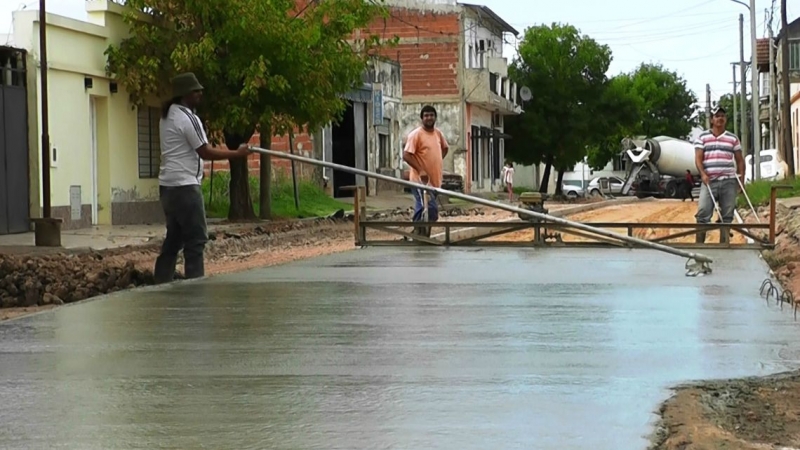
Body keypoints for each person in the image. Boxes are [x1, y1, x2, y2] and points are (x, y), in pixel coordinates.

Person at [154, 72, 251, 284]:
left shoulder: (167, 115)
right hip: (185, 187)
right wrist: (237, 154)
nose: (200, 94)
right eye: (195, 91)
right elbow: (205, 152)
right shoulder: (188, 118)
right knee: (196, 240)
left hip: (168, 187)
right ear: (184, 94)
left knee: (174, 238)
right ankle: (194, 287)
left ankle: (160, 282)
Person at [693, 105, 745, 244]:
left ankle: (724, 245)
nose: (720, 118)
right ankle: (700, 246)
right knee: (703, 214)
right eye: (717, 116)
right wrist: (703, 174)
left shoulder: (732, 138)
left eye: (722, 116)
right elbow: (698, 159)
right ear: (712, 120)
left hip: (729, 181)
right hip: (709, 181)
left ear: (725, 119)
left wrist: (742, 181)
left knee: (727, 216)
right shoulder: (702, 137)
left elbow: (740, 161)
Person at [403, 105, 449, 237]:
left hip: (435, 181)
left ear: (435, 117)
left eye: (431, 115)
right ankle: (418, 233)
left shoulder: (438, 134)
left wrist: (436, 161)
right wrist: (421, 169)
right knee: (429, 208)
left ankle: (421, 234)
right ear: (422, 118)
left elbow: (445, 148)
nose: (429, 118)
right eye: (426, 115)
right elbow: (406, 155)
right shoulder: (416, 135)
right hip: (420, 181)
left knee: (427, 209)